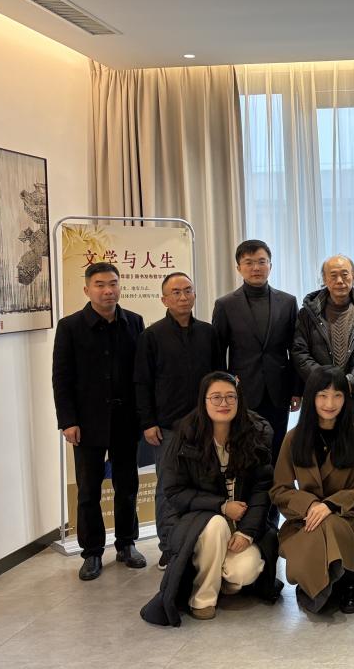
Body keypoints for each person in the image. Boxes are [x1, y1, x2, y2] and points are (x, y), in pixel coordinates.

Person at [141, 372, 282, 625]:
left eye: (230, 397)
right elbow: (174, 491)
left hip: (240, 523)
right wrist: (221, 506)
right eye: (215, 397)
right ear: (203, 401)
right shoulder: (186, 434)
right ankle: (203, 597)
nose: (223, 403)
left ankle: (220, 578)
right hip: (197, 523)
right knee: (216, 524)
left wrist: (247, 532)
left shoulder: (256, 432)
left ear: (239, 400)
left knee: (245, 571)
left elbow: (262, 488)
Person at [52, 262, 146, 580]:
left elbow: (140, 375)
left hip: (125, 421)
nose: (108, 291)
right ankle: (91, 552)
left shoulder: (134, 322)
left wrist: (143, 416)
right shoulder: (70, 326)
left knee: (127, 487)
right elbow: (61, 378)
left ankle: (126, 544)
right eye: (100, 285)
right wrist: (68, 421)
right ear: (87, 289)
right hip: (86, 424)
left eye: (113, 284)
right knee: (89, 491)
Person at [134, 272, 223, 569]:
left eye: (188, 291)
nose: (183, 297)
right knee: (168, 488)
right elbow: (142, 383)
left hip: (206, 425)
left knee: (208, 484)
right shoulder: (151, 336)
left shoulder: (209, 333)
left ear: (195, 294)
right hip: (168, 427)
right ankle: (169, 547)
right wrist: (148, 422)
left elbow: (219, 377)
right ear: (164, 300)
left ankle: (202, 542)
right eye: (176, 292)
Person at [271, 366, 354, 614]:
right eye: (322, 395)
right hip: (304, 521)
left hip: (348, 519)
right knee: (320, 525)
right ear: (311, 397)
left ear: (346, 399)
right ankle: (335, 578)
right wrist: (311, 505)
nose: (330, 403)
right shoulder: (294, 438)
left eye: (337, 395)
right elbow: (280, 489)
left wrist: (330, 505)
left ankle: (345, 580)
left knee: (332, 523)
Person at [212, 239, 303, 466]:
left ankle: (277, 488)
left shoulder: (288, 302)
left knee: (278, 447)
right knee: (244, 448)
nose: (256, 268)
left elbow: (296, 350)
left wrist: (296, 390)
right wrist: (223, 391)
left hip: (278, 389)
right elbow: (218, 352)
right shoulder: (225, 305)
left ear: (270, 265)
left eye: (262, 262)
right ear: (239, 267)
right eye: (249, 262)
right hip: (242, 390)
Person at [293, 255, 354, 437]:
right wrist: (325, 383)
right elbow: (300, 353)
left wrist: (349, 383)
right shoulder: (307, 314)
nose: (340, 280)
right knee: (318, 450)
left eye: (345, 274)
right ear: (324, 279)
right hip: (320, 400)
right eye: (333, 275)